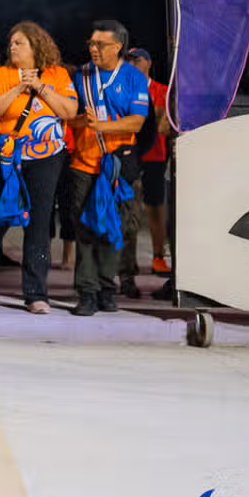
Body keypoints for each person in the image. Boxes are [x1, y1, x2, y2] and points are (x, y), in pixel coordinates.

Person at [0, 21, 76, 312]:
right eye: (11, 43)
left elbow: (69, 110)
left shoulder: (57, 74)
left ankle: (36, 294)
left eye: (19, 43)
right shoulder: (4, 74)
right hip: (9, 157)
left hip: (46, 158)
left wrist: (39, 86)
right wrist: (18, 86)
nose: (12, 47)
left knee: (39, 224)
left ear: (36, 46)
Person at [65, 19, 150, 316]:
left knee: (117, 228)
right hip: (84, 163)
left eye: (99, 44)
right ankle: (87, 292)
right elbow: (71, 118)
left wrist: (102, 125)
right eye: (90, 43)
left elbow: (137, 122)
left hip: (118, 163)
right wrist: (81, 123)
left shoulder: (133, 78)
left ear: (117, 47)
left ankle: (107, 288)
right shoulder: (82, 75)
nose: (93, 48)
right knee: (86, 227)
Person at [127, 47, 172, 277]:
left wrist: (145, 115)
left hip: (155, 156)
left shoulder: (162, 90)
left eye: (137, 60)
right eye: (129, 61)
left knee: (155, 208)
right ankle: (128, 261)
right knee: (129, 208)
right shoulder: (123, 88)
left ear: (149, 63)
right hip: (129, 155)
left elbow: (164, 124)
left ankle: (158, 257)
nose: (132, 64)